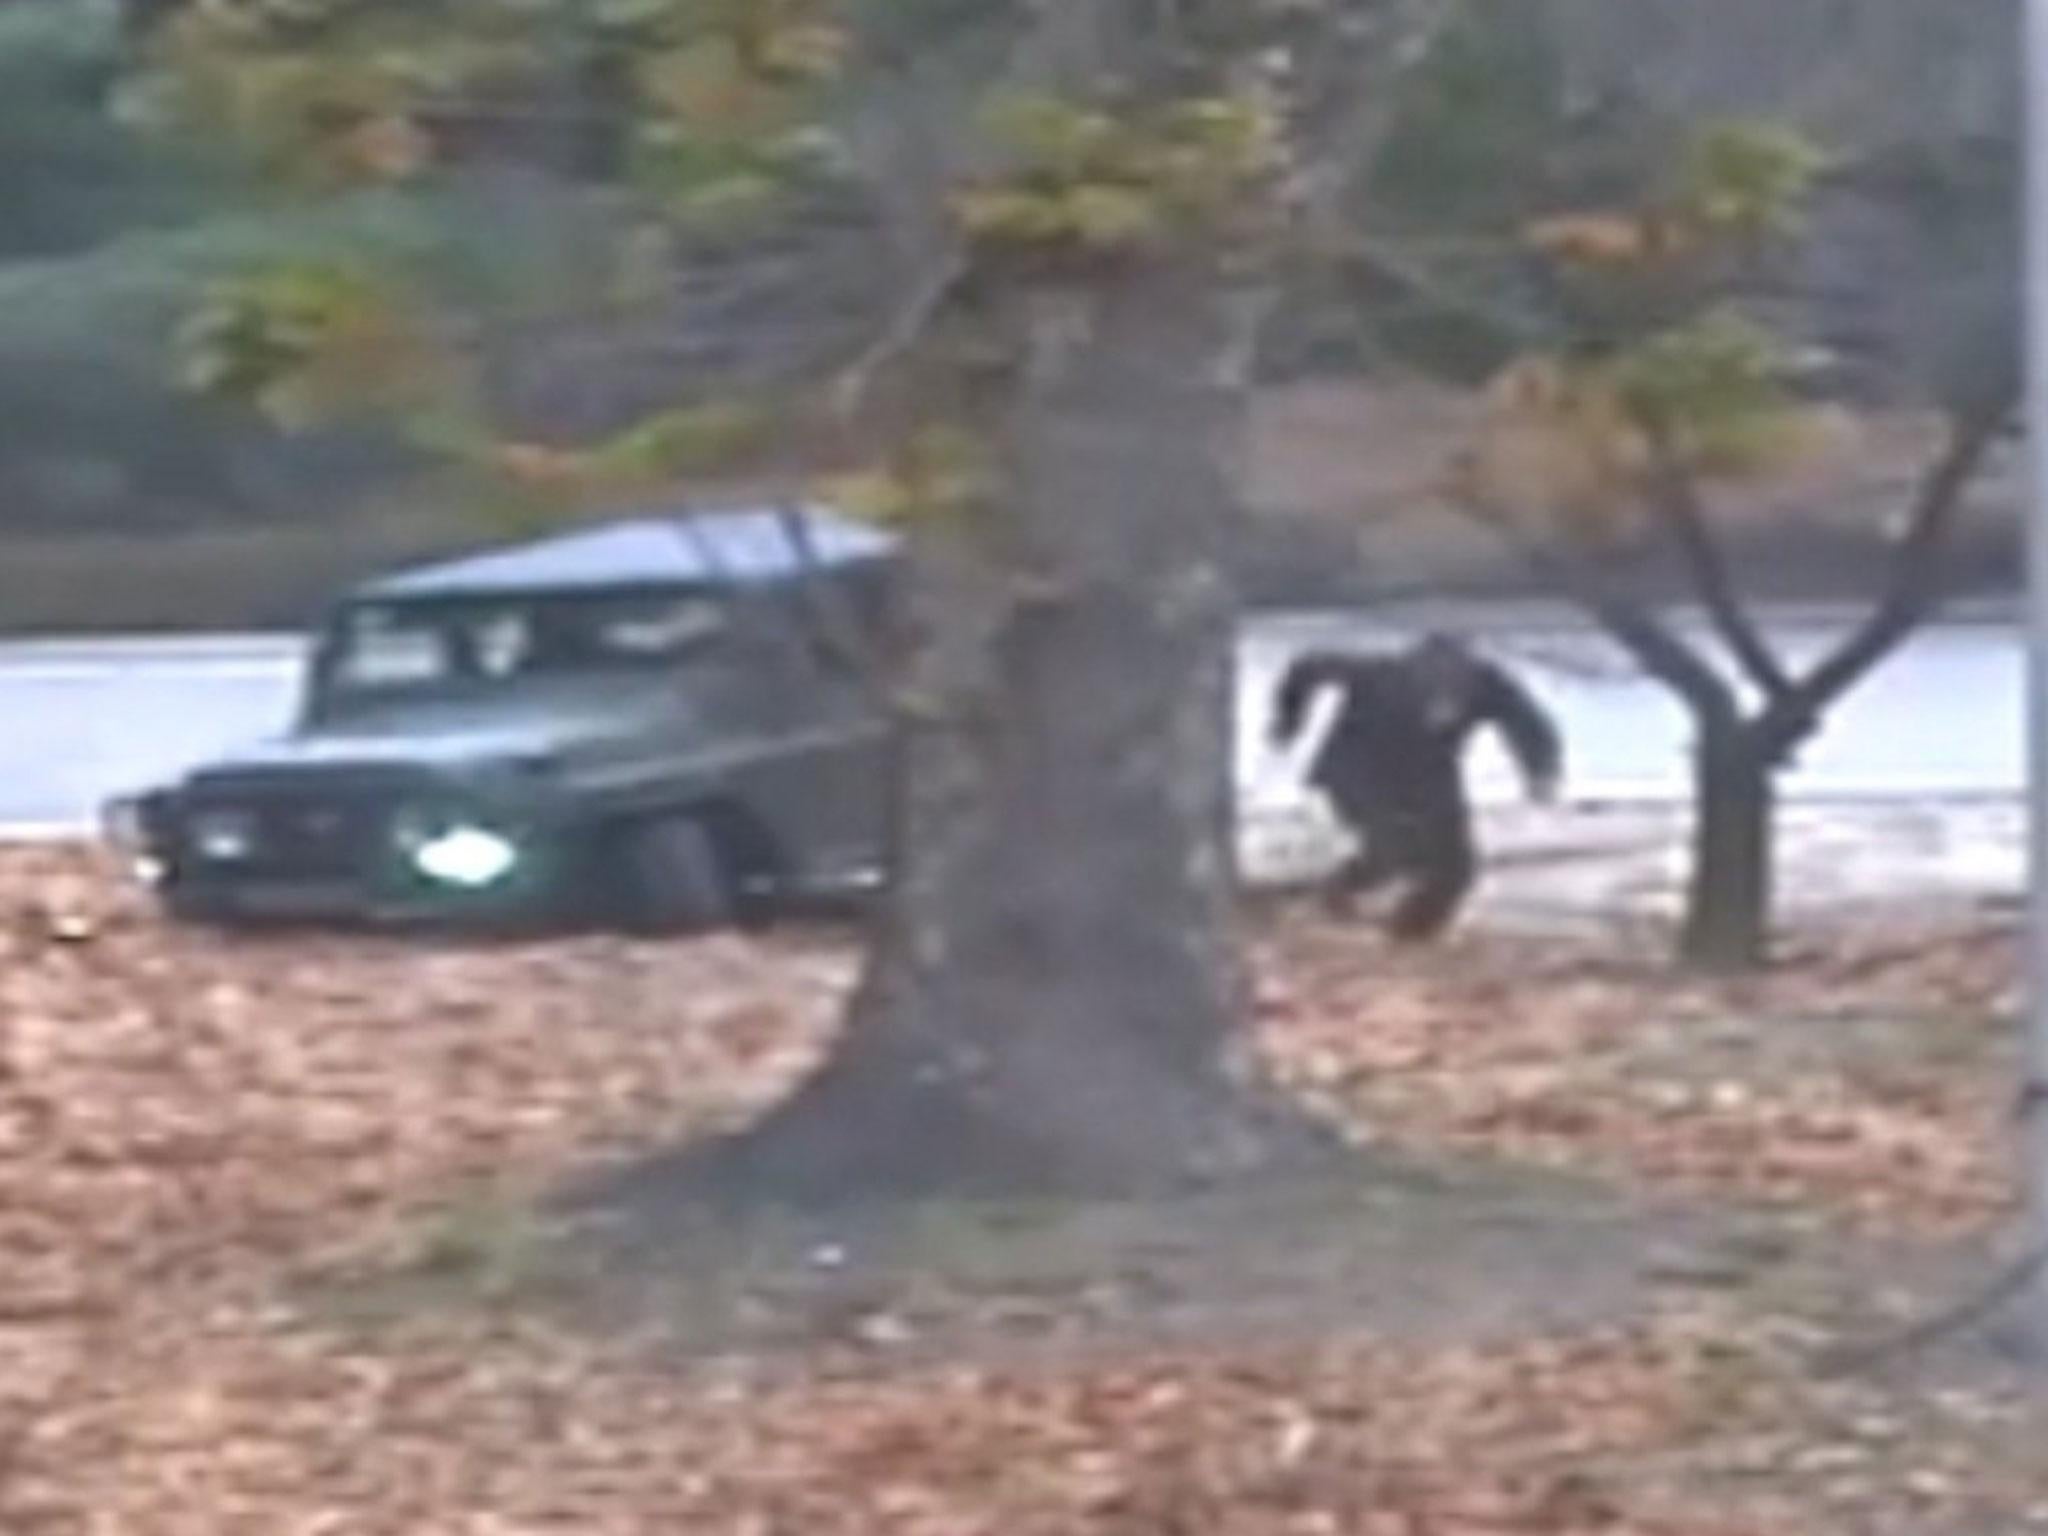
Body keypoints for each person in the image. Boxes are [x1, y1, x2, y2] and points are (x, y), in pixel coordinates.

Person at [1268, 632, 1563, 941]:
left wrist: (1541, 770)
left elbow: (1528, 723)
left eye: (1452, 701)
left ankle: (1412, 933)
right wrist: (1288, 719)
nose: (1442, 711)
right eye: (1435, 700)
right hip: (1357, 770)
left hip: (1431, 775)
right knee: (1396, 850)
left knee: (1457, 867)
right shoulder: (1382, 674)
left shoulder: (1486, 684)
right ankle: (1335, 895)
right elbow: (1307, 666)